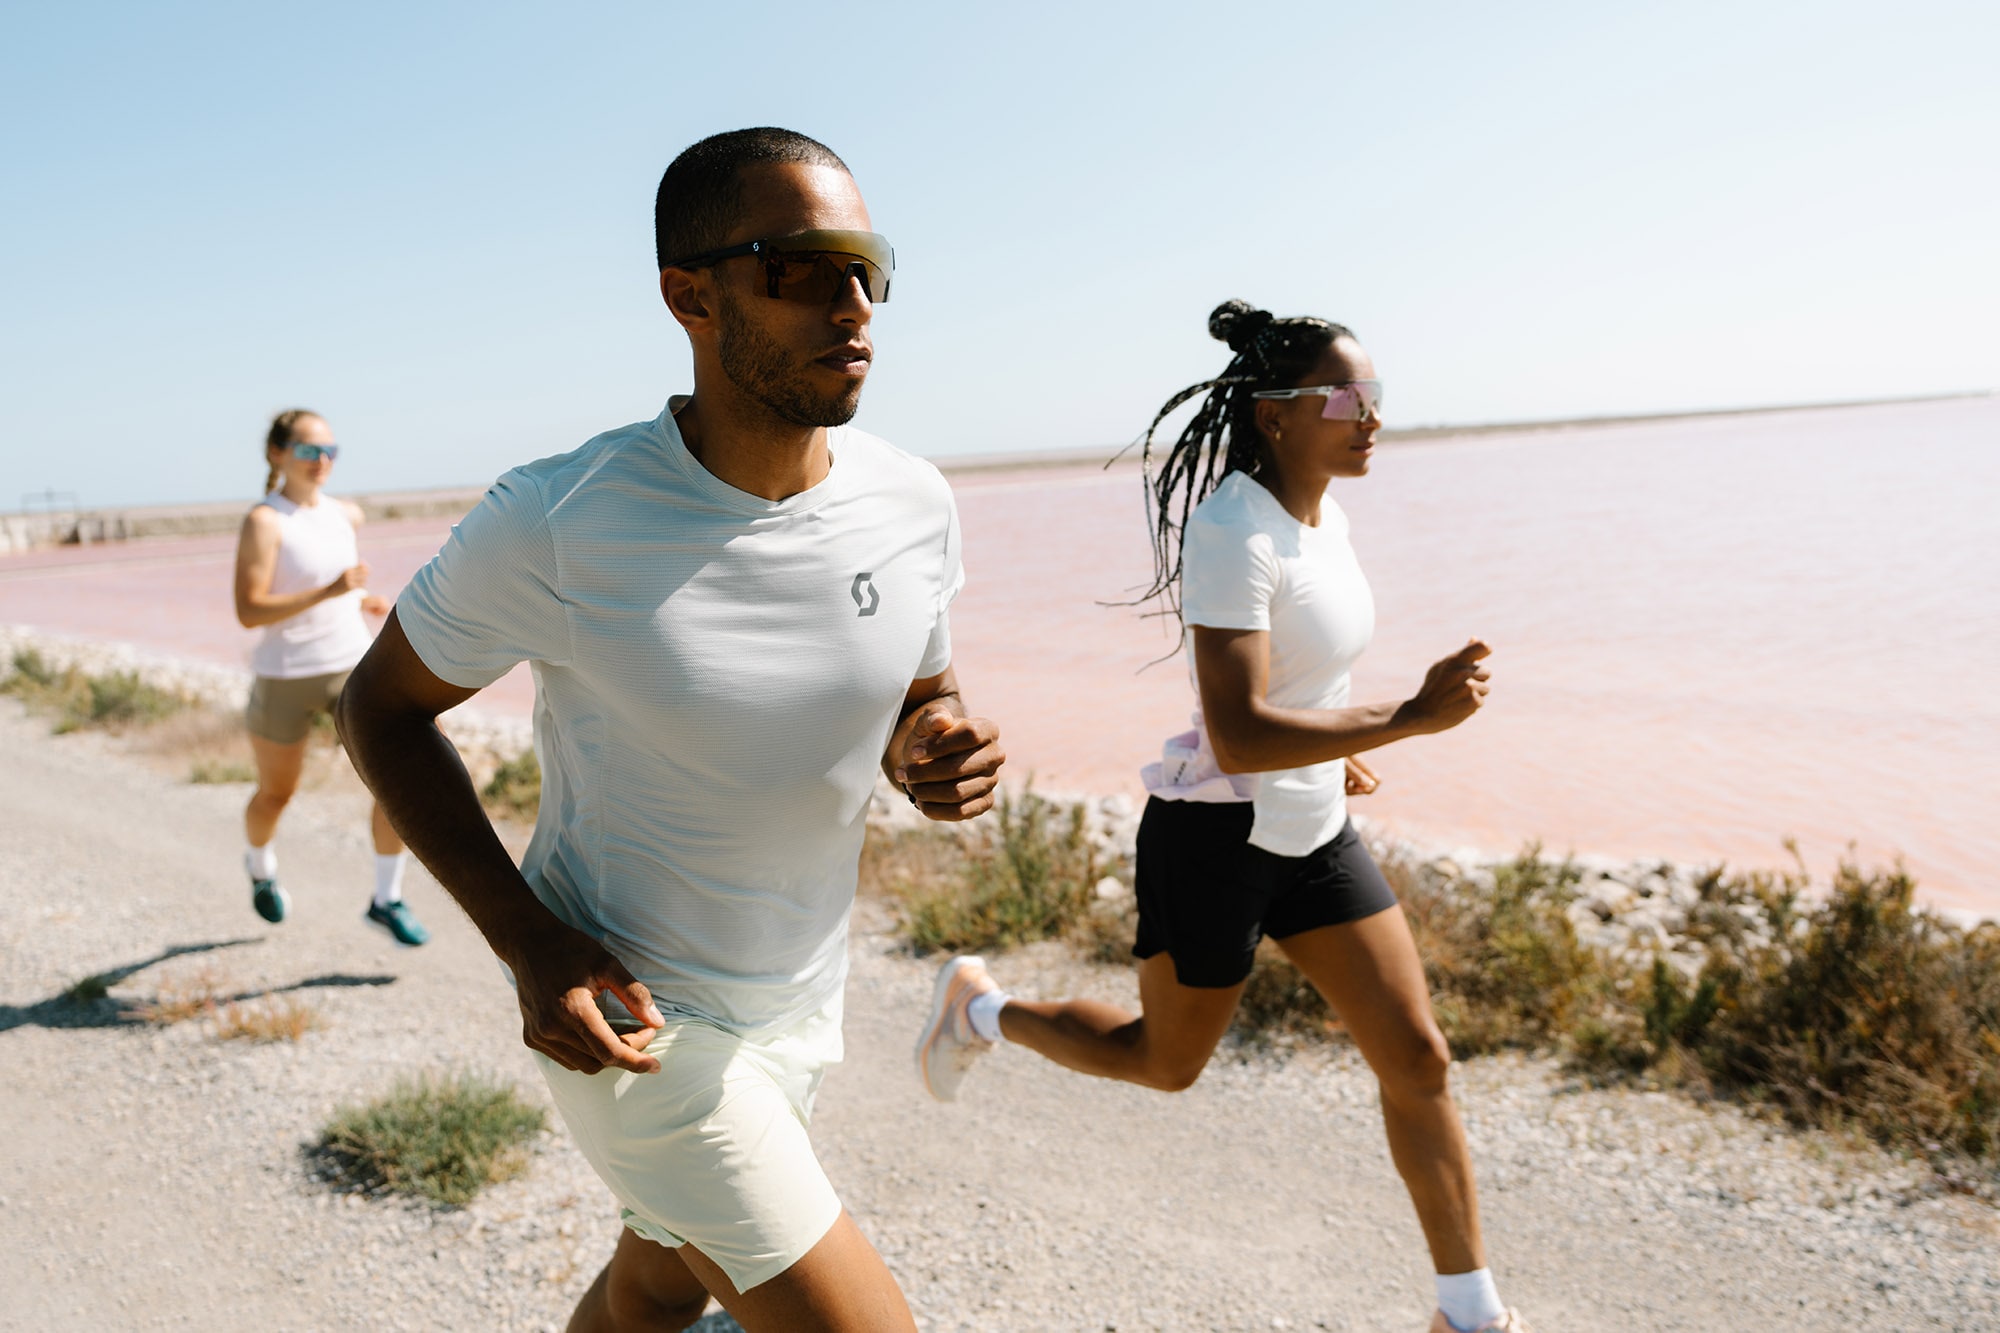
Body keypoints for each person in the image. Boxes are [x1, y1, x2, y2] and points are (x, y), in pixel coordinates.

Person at [336, 128, 1004, 1333]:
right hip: (637, 1022)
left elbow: (920, 688)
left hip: (798, 995)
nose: (853, 304)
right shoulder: (560, 517)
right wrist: (527, 942)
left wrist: (933, 744)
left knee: (652, 1283)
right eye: (802, 269)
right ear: (688, 295)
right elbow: (377, 709)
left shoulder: (911, 501)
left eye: (869, 268)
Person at [914, 301, 1531, 1333]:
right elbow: (1238, 732)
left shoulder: (1325, 515)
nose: (1369, 416)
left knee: (1416, 1057)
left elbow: (1304, 676)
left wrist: (1345, 754)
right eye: (1347, 397)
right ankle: (978, 1009)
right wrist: (1409, 719)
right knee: (1164, 1063)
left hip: (1314, 832)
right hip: (1216, 840)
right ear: (1276, 414)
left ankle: (1467, 1314)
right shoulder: (1230, 529)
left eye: (1376, 397)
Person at [231, 409, 428, 946]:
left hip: (349, 665)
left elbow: (334, 580)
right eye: (308, 451)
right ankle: (260, 868)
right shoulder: (265, 521)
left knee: (400, 782)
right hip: (285, 676)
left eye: (329, 452)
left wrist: (363, 599)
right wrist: (333, 591)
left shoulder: (346, 514)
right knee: (276, 794)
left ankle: (386, 900)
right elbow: (249, 611)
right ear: (277, 454)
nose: (322, 461)